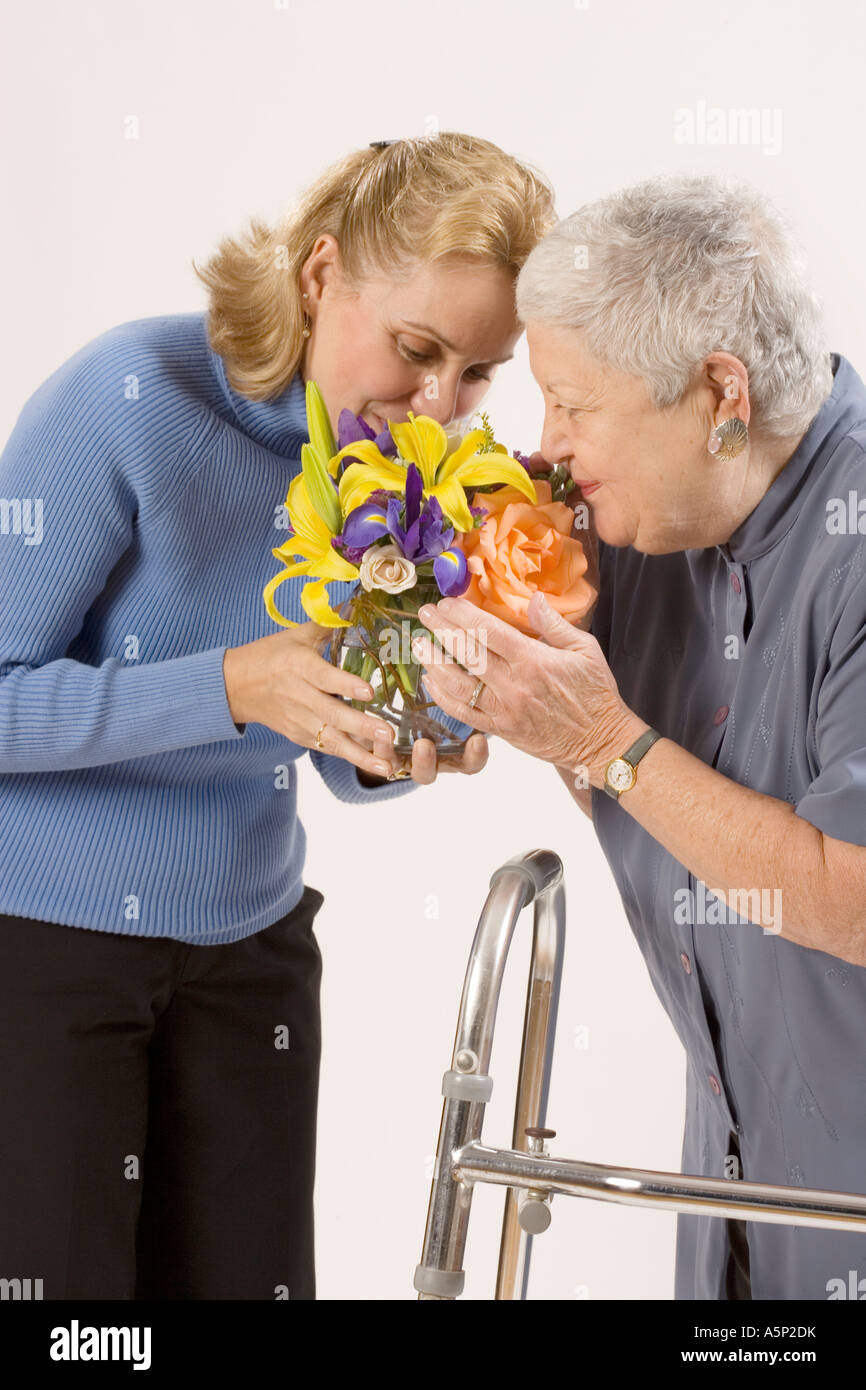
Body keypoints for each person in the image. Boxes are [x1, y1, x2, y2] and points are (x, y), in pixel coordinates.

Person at [0, 133, 555, 1299]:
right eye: (417, 350)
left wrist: (408, 736)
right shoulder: (127, 398)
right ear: (318, 277)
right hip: (46, 953)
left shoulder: (401, 475)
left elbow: (333, 751)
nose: (438, 406)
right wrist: (228, 686)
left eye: (477, 373)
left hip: (251, 951)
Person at [412, 172, 866, 1300]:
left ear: (720, 391)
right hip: (733, 1186)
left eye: (573, 404)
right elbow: (639, 797)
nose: (547, 445)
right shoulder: (644, 522)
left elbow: (850, 898)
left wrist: (606, 739)